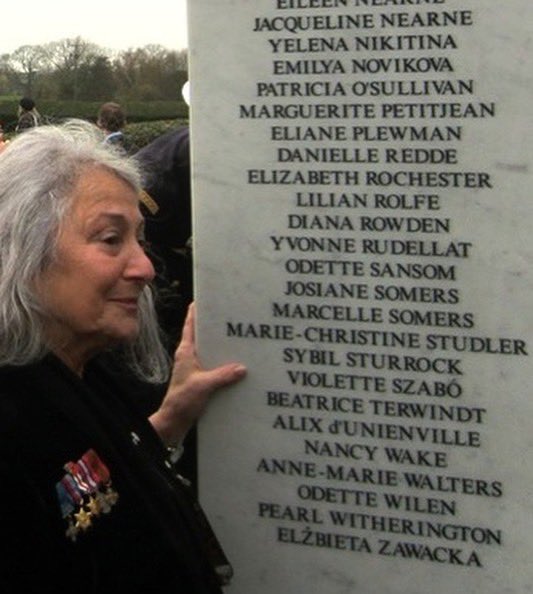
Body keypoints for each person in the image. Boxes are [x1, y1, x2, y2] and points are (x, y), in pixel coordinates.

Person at [0, 120, 246, 593]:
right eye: (111, 239)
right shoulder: (12, 415)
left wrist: (169, 421)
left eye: (139, 240)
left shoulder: (82, 368)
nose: (146, 268)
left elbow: (89, 472)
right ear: (24, 252)